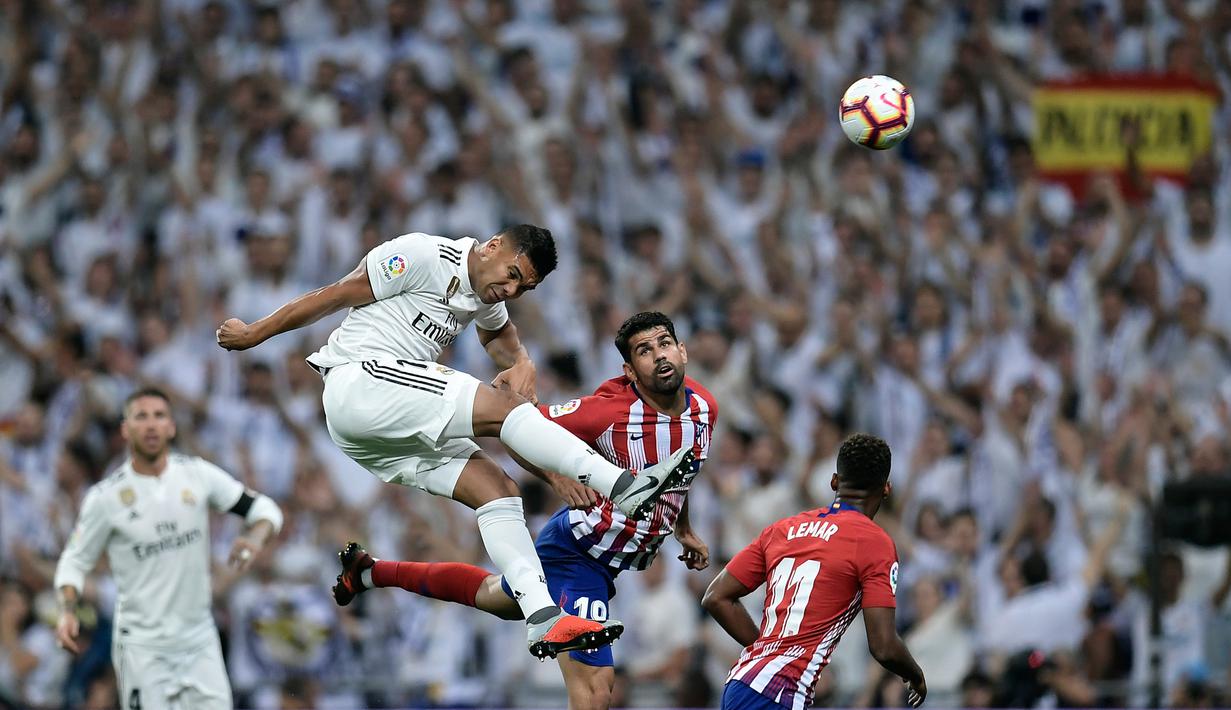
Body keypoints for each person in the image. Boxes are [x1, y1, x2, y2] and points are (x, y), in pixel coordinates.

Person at [215, 226, 697, 658]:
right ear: (492, 247)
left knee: (498, 490)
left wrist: (522, 359)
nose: (508, 289)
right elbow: (338, 294)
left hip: (375, 435)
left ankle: (543, 618)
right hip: (361, 380)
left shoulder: (489, 293)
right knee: (504, 409)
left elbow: (499, 337)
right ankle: (624, 486)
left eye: (521, 288)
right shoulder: (423, 254)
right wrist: (256, 332)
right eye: (510, 274)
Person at [332, 311, 718, 710]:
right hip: (579, 554)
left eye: (665, 343)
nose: (659, 355)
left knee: (496, 596)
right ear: (629, 370)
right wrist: (554, 476)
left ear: (683, 350)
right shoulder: (607, 412)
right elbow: (512, 423)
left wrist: (682, 528)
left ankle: (369, 572)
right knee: (596, 691)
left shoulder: (706, 409)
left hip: (610, 563)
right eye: (644, 350)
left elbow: (679, 469)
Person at [53, 388, 285, 710]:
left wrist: (254, 539)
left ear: (172, 427)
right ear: (125, 429)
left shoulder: (198, 475)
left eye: (159, 416)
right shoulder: (105, 498)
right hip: (143, 648)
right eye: (141, 416)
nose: (151, 425)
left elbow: (266, 510)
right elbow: (73, 562)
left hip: (199, 640)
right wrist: (67, 610)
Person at [702, 433, 927, 710]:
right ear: (886, 489)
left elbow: (715, 596)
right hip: (779, 691)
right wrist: (915, 675)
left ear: (834, 481)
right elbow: (883, 645)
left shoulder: (782, 530)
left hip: (742, 682)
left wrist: (767, 649)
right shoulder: (875, 542)